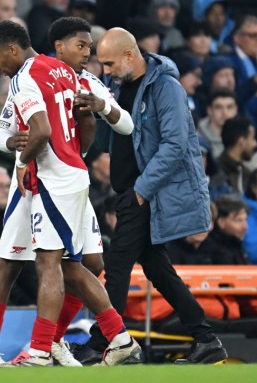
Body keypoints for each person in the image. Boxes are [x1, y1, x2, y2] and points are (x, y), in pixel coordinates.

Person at [0, 20, 140, 368]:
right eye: (81, 46)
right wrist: (17, 150)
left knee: (76, 264)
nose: (89, 54)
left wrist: (99, 107)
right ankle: (0, 351)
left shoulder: (76, 80)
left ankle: (50, 345)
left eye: (89, 47)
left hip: (55, 176)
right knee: (22, 261)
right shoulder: (39, 76)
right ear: (59, 46)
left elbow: (119, 125)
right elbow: (3, 135)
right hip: (36, 179)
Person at [76, 27, 227, 365]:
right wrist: (94, 109)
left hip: (146, 193)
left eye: (111, 63)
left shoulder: (167, 87)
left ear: (130, 55)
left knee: (115, 267)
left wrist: (141, 192)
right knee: (158, 270)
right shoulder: (117, 86)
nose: (108, 71)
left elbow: (176, 145)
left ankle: (102, 341)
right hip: (133, 191)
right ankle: (206, 339)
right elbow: (105, 141)